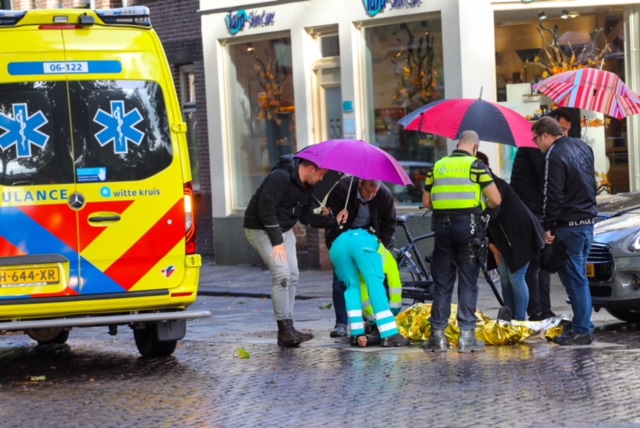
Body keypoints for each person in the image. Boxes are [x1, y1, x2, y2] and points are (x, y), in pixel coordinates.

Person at [244, 155, 347, 348]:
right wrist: (276, 241)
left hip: (284, 229)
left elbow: (307, 218)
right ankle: (284, 331)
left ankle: (289, 327)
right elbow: (265, 209)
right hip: (260, 228)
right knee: (282, 274)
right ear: (310, 169)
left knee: (293, 274)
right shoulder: (280, 177)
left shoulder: (307, 188)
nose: (322, 179)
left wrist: (333, 220)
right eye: (322, 174)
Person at [422, 131, 502, 353]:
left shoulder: (437, 166)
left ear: (458, 144)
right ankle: (467, 336)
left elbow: (427, 202)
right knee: (468, 280)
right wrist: (480, 208)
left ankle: (438, 336)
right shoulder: (476, 166)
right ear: (475, 146)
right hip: (468, 228)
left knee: (442, 282)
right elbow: (496, 199)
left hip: (442, 229)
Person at [532, 116, 597, 346]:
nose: (536, 145)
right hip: (587, 223)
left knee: (575, 280)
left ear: (545, 135)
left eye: (536, 139)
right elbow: (590, 183)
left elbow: (553, 193)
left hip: (568, 226)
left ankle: (581, 329)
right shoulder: (583, 147)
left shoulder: (554, 154)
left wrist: (548, 225)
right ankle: (584, 325)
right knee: (580, 278)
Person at [511, 108, 571, 321]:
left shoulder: (531, 147)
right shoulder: (537, 149)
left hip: (530, 209)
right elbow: (548, 179)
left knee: (540, 263)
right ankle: (537, 311)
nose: (563, 136)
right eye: (561, 130)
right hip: (533, 211)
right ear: (547, 133)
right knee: (536, 263)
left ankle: (541, 310)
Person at [476, 152, 545, 321]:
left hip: (521, 235)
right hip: (503, 239)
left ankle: (519, 319)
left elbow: (490, 214)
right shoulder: (479, 187)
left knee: (516, 277)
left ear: (484, 167)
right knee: (505, 279)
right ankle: (508, 318)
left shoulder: (494, 185)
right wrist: (491, 244)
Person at [325, 178, 396, 338]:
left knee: (374, 280)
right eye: (368, 192)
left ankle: (373, 321)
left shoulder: (384, 194)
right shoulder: (343, 188)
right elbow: (329, 215)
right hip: (343, 239)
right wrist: (336, 218)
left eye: (374, 193)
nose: (371, 196)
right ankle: (341, 323)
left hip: (368, 241)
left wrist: (380, 245)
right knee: (341, 282)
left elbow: (389, 223)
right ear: (360, 184)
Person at [329, 228, 409, 348]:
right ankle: (390, 335)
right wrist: (394, 310)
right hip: (362, 244)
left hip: (337, 247)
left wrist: (373, 320)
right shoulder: (389, 260)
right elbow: (395, 286)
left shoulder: (361, 268)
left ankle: (356, 334)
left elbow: (365, 299)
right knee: (375, 285)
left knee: (352, 288)